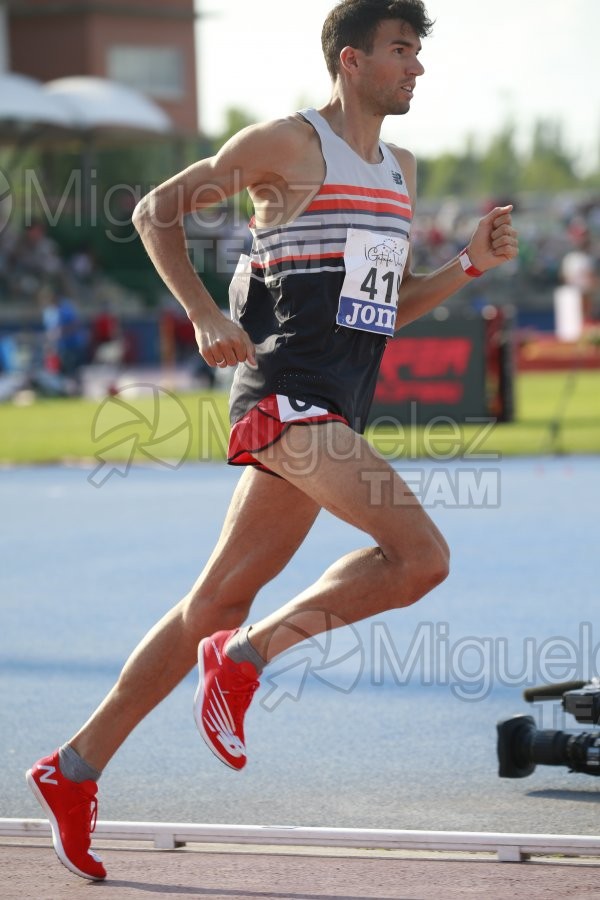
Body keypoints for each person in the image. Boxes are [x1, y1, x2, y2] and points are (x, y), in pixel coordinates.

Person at [26, 0, 518, 882]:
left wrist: (469, 266)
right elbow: (154, 211)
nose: (416, 68)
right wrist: (205, 313)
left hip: (338, 402)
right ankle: (248, 658)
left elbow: (386, 309)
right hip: (287, 396)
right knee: (419, 557)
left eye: (419, 52)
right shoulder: (287, 146)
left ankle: (73, 768)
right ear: (349, 59)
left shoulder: (400, 169)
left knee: (212, 601)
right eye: (401, 50)